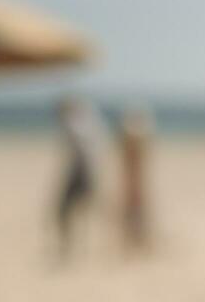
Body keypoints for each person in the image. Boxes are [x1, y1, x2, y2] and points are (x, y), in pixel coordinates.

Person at [53, 94, 108, 260]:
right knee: (82, 211)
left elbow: (81, 154)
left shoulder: (73, 124)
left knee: (66, 211)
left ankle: (71, 247)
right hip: (88, 171)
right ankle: (78, 248)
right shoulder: (88, 123)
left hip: (82, 173)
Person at [115, 101, 155, 254]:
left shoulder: (133, 144)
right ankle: (136, 241)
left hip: (134, 182)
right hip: (133, 182)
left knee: (136, 212)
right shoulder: (137, 142)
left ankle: (137, 241)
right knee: (135, 212)